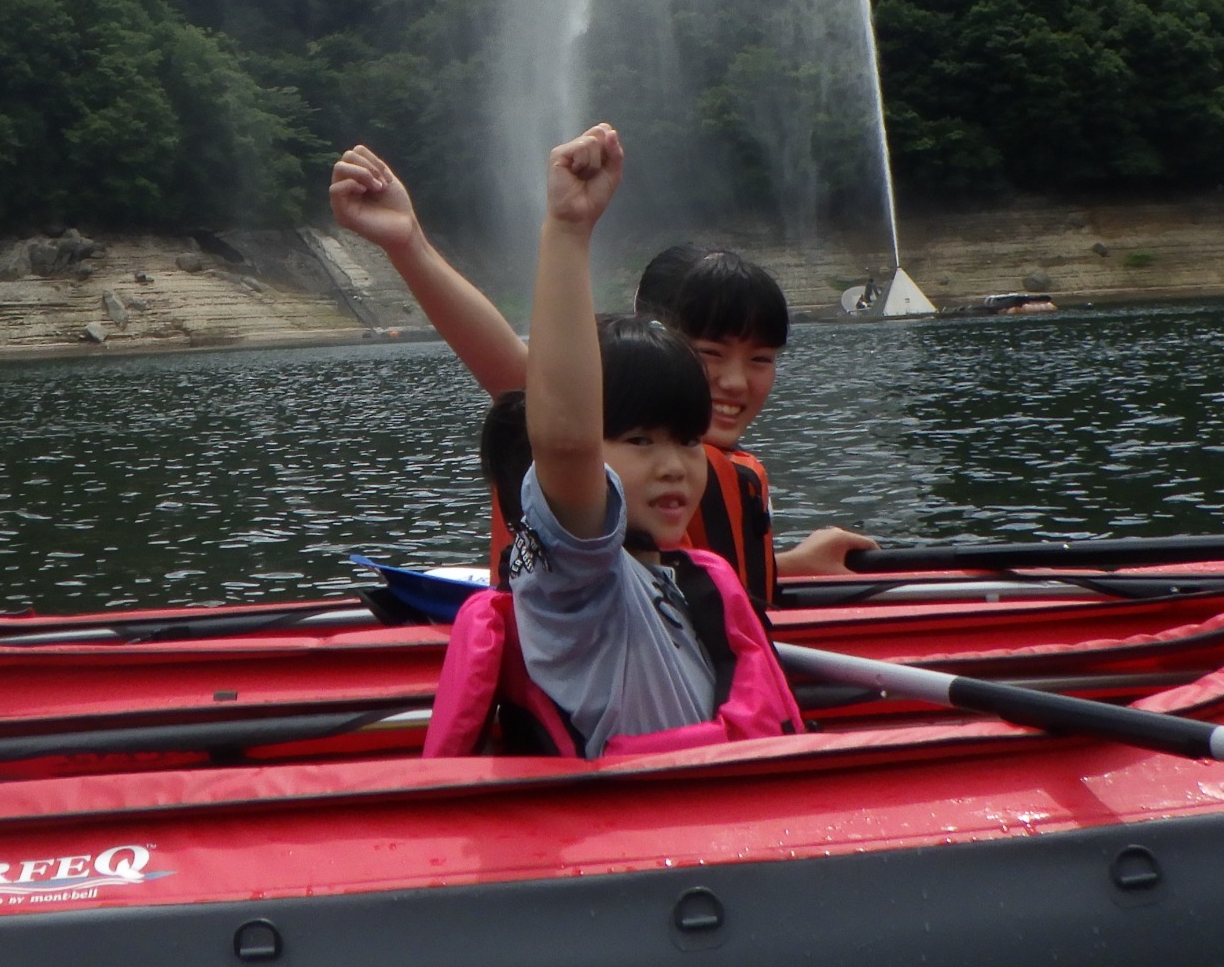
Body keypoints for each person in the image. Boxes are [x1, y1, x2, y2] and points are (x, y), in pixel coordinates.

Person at [328, 142, 875, 599]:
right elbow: (528, 386)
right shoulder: (588, 462)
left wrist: (787, 565)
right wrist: (410, 245)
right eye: (709, 352)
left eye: (760, 359)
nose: (735, 381)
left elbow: (698, 571)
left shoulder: (707, 473)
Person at [423, 125, 804, 759]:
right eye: (638, 440)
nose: (675, 466)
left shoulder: (683, 578)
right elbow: (567, 439)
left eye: (686, 440)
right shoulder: (581, 583)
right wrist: (568, 230)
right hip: (645, 846)